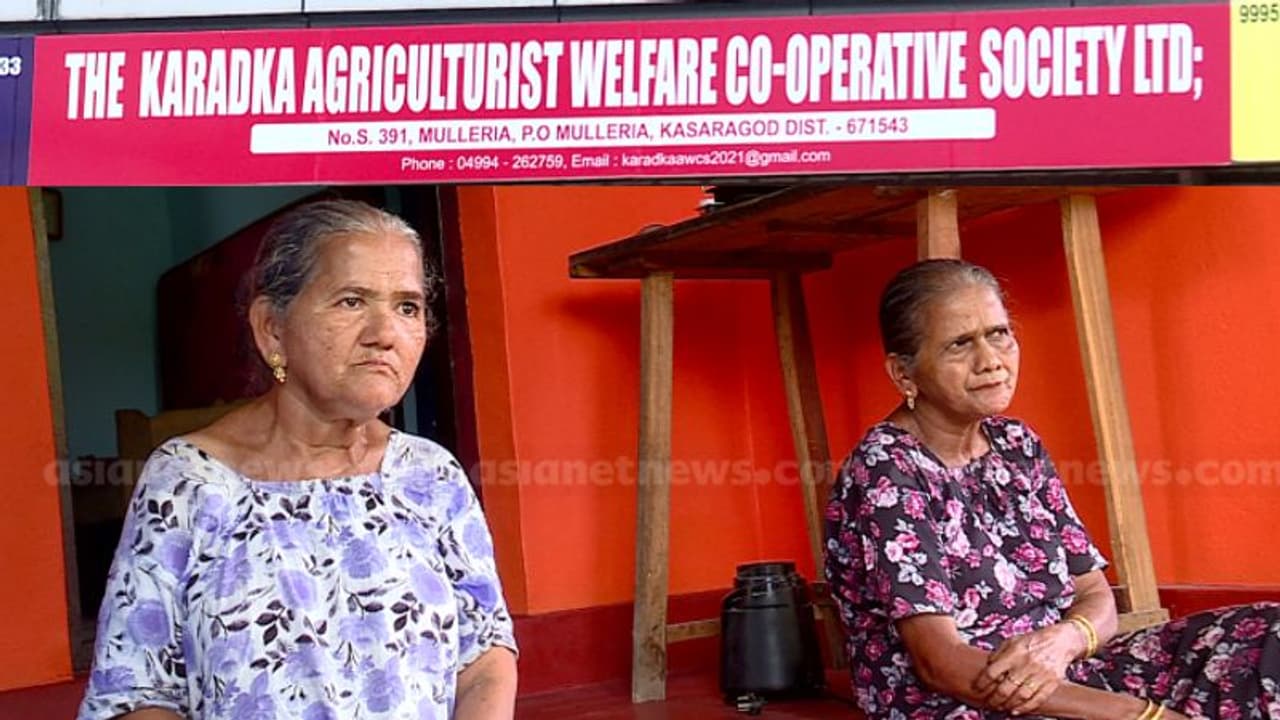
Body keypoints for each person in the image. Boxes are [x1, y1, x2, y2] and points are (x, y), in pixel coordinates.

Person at [78, 199, 517, 720]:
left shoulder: (431, 475)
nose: (386, 333)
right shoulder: (188, 484)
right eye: (352, 301)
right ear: (272, 328)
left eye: (408, 307)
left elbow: (486, 650)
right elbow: (136, 691)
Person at [824, 259, 1280, 720]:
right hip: (965, 699)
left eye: (999, 334)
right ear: (904, 374)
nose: (991, 361)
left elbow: (1096, 596)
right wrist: (1142, 715)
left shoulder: (1017, 444)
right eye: (961, 344)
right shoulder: (887, 469)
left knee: (1270, 636)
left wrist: (1065, 640)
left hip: (1068, 673)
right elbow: (939, 664)